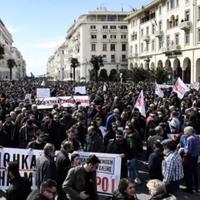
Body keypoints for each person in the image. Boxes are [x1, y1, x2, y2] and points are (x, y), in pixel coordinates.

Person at [179, 126, 200, 193]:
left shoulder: (189, 139)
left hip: (190, 157)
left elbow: (188, 151)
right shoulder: (197, 137)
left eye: (185, 131)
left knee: (188, 173)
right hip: (196, 157)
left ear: (187, 132)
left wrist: (182, 149)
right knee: (195, 172)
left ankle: (189, 188)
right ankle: (196, 187)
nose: (184, 132)